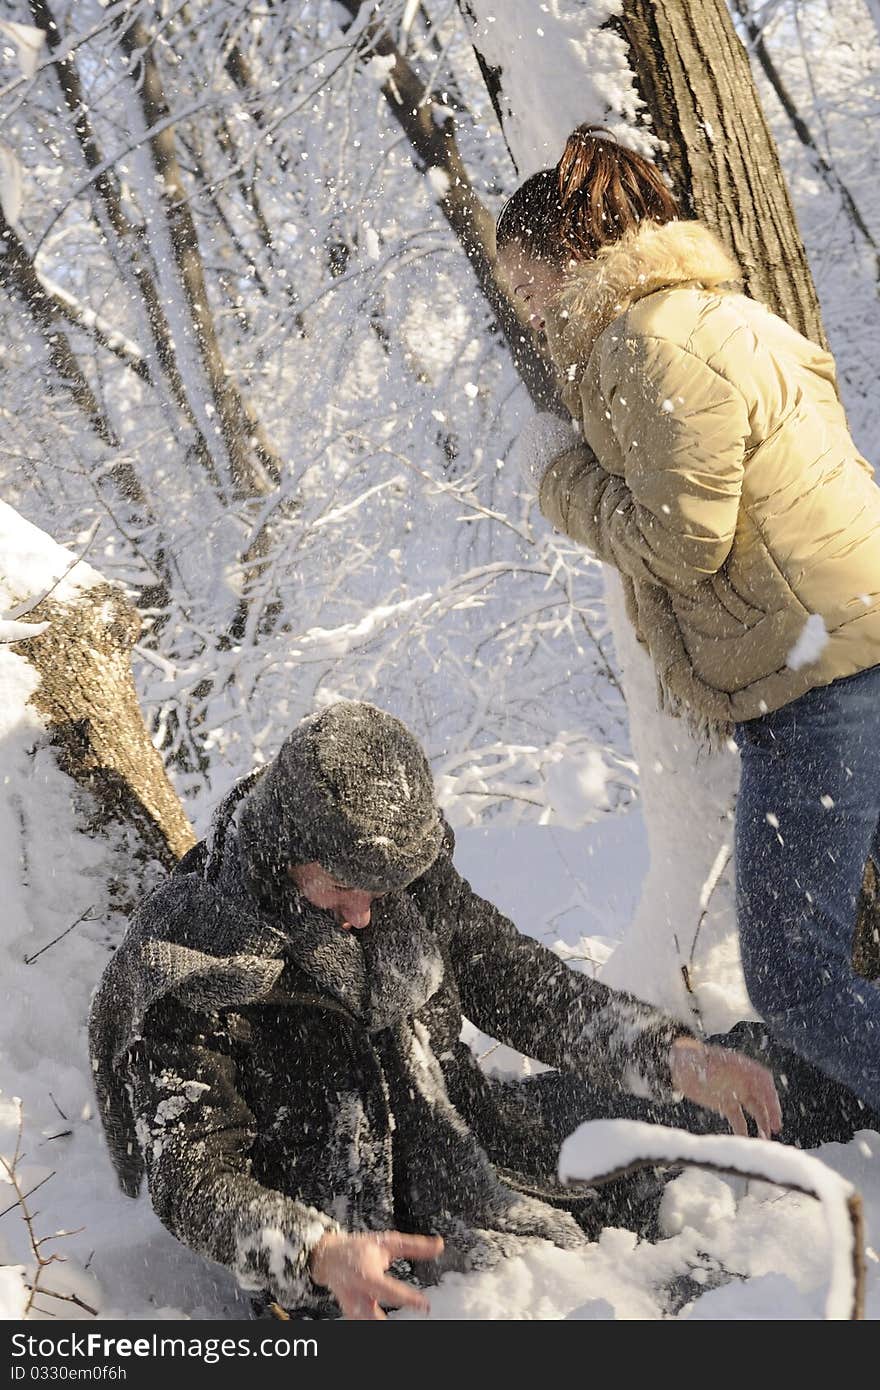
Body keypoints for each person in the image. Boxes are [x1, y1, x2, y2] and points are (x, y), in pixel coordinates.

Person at [89, 701, 780, 1320]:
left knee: (745, 1091)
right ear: (286, 853)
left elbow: (513, 979)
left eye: (380, 891)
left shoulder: (405, 877)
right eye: (338, 888)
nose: (362, 914)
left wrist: (663, 1055)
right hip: (342, 1232)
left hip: (467, 1143)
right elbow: (188, 1172)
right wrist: (312, 1252)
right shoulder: (192, 961)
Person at [496, 125, 880, 1120]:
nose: (528, 315)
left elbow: (680, 543)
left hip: (819, 681)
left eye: (527, 286)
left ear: (570, 260)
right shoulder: (704, 317)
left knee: (794, 984)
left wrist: (558, 478)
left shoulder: (656, 341)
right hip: (842, 656)